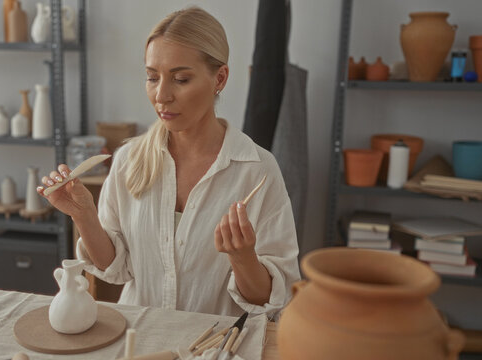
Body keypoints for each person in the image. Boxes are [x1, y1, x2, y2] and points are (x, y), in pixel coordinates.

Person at [37, 6, 300, 318]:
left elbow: (272, 302)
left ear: (220, 78)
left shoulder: (257, 170)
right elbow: (115, 269)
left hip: (216, 347)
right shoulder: (128, 160)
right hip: (139, 341)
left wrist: (243, 258)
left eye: (181, 79)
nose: (161, 95)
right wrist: (84, 216)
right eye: (152, 77)